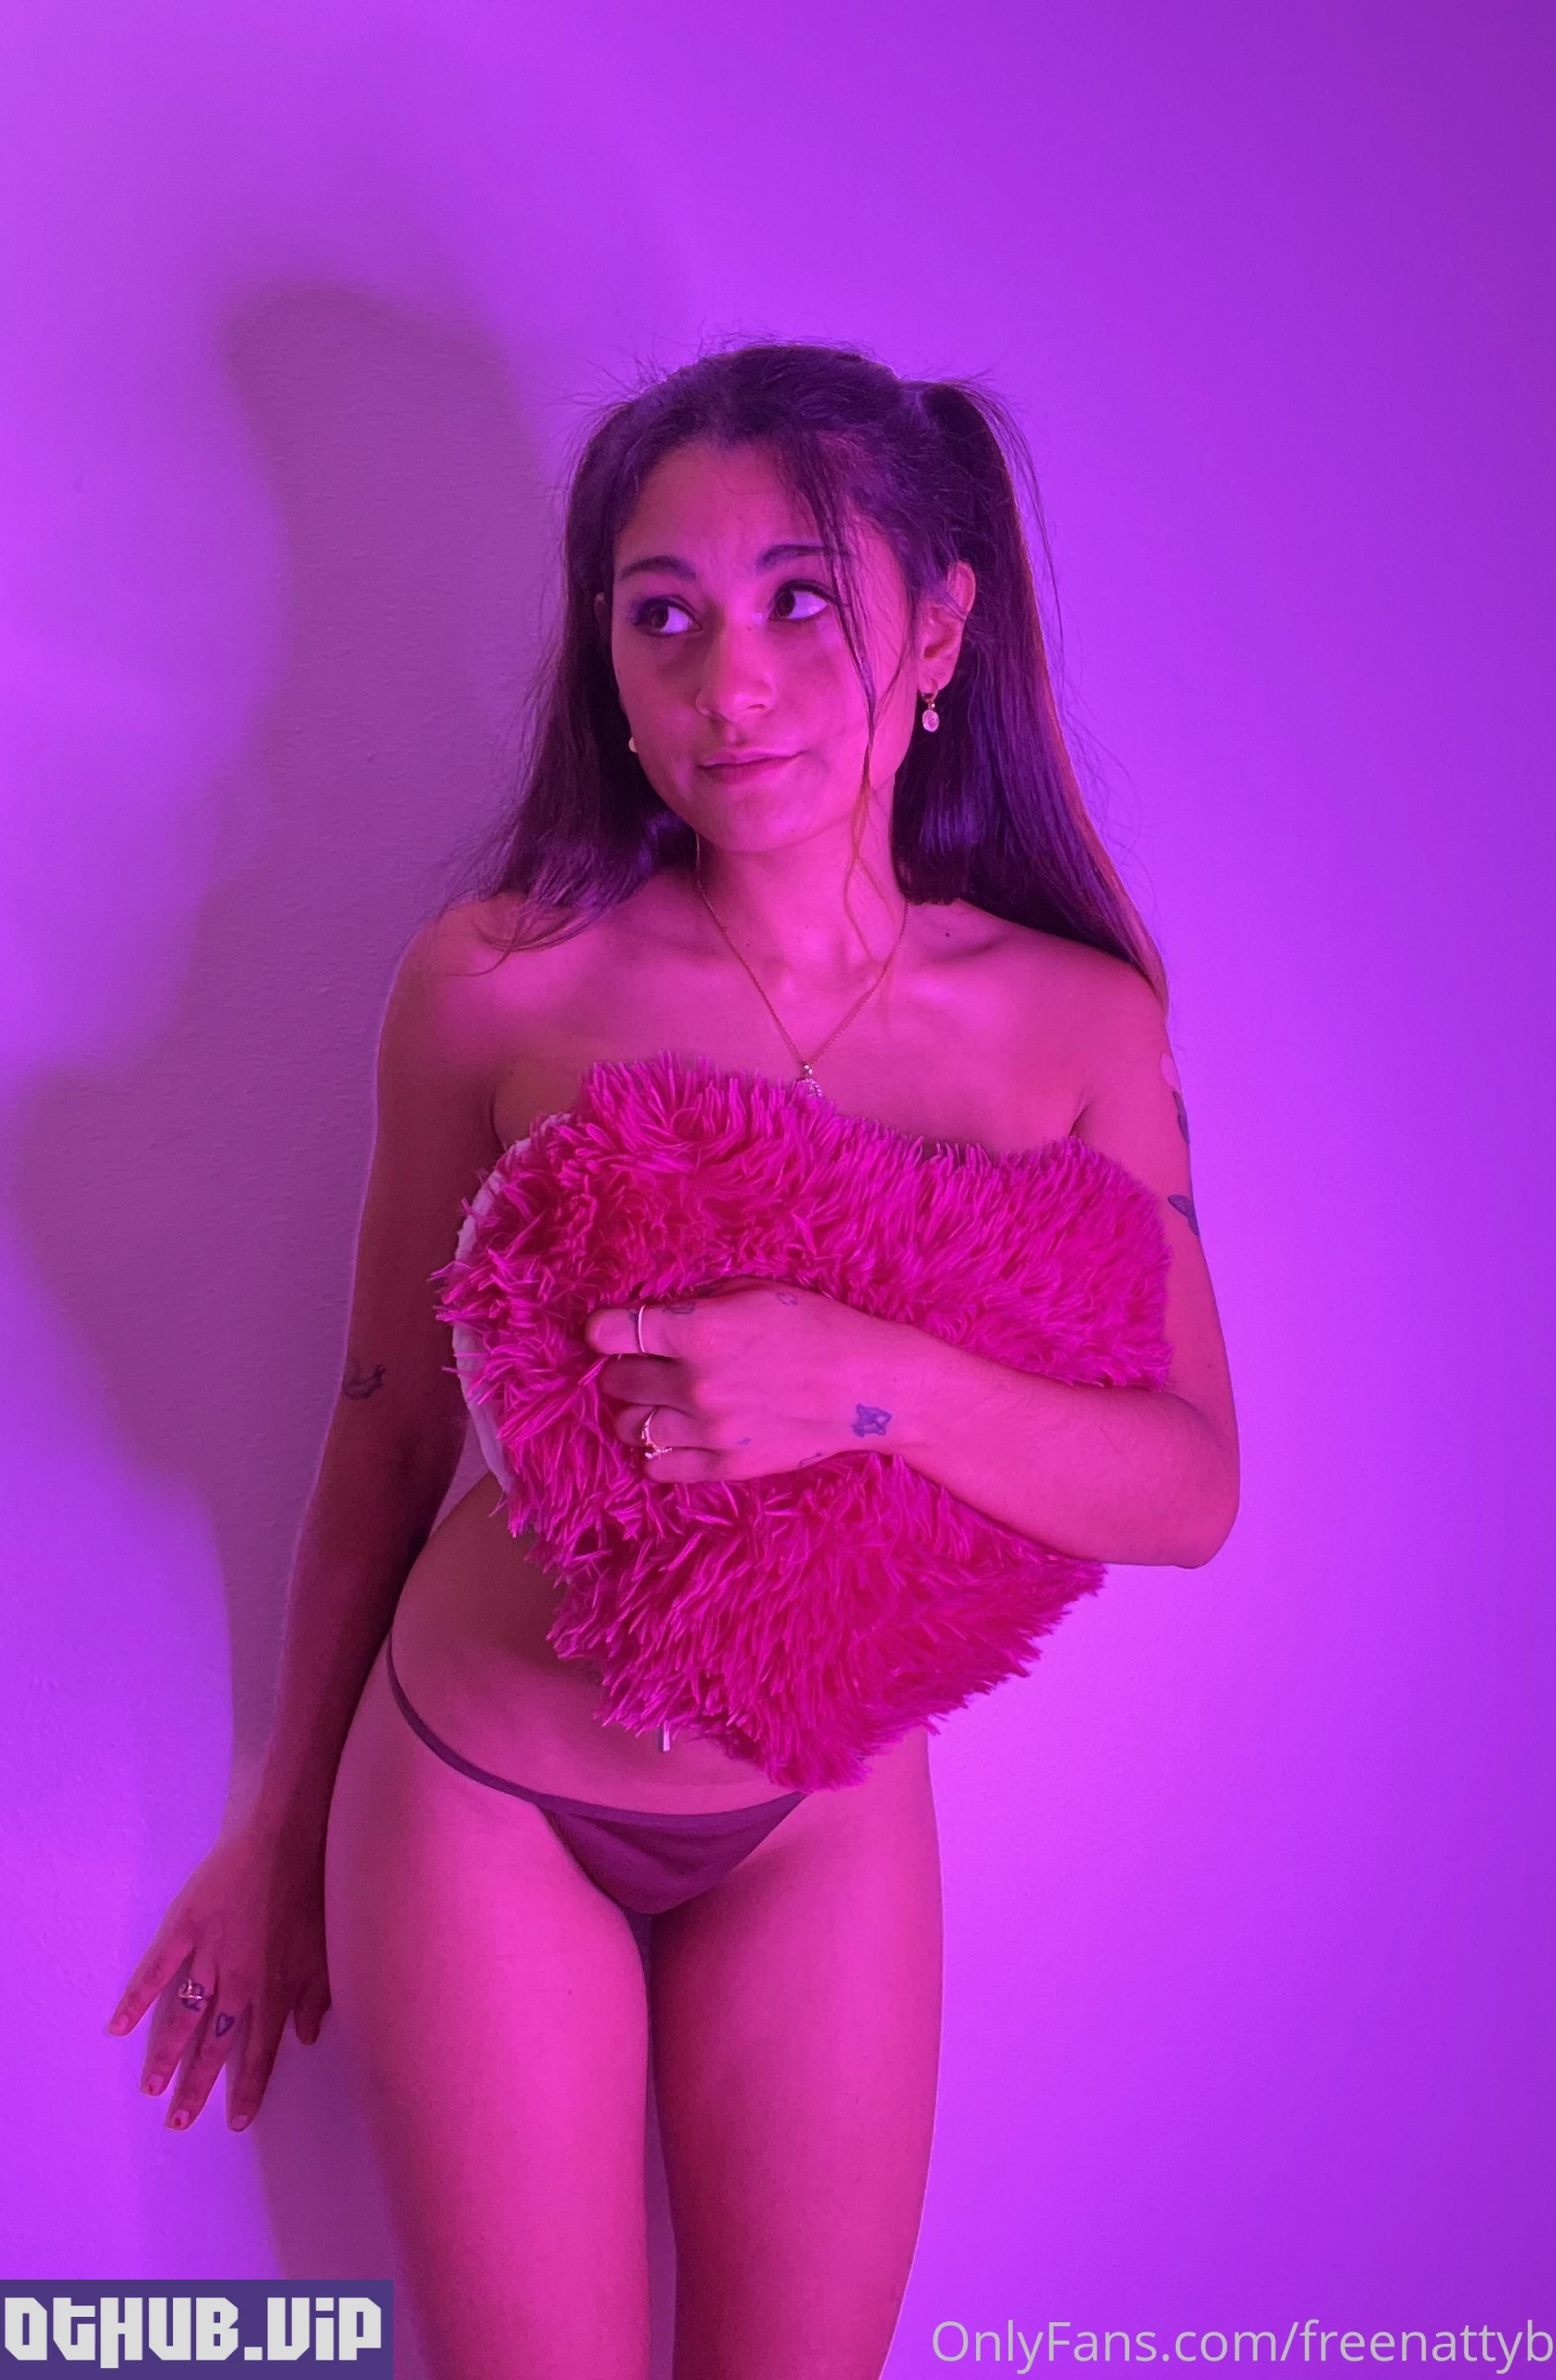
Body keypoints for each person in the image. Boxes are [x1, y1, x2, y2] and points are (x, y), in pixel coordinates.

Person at [105, 342, 1239, 2380]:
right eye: (665, 615)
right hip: (485, 1790)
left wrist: (859, 1375)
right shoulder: (498, 981)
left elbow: (1190, 1483)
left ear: (939, 630)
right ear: (608, 660)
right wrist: (279, 1826)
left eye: (803, 599)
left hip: (824, 1812)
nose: (731, 681)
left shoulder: (1079, 1024)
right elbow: (385, 1428)